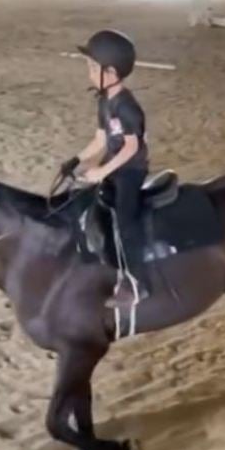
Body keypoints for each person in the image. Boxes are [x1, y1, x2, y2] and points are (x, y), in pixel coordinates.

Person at [60, 30, 150, 308]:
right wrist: (76, 160)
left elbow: (131, 148)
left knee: (124, 222)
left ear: (110, 72)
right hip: (112, 165)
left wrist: (101, 172)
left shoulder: (127, 107)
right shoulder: (104, 100)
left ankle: (136, 283)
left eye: (92, 67)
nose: (88, 72)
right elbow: (101, 139)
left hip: (130, 170)